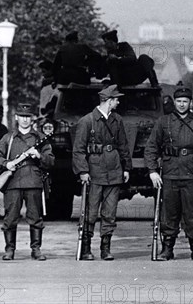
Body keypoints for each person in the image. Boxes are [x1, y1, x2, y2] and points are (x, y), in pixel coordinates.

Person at [145, 87, 193, 261]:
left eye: (185, 101)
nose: (182, 104)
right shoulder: (164, 121)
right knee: (169, 214)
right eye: (179, 101)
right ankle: (167, 249)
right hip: (170, 174)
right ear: (174, 102)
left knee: (192, 214)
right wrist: (153, 171)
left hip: (192, 174)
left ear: (190, 103)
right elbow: (151, 147)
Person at [72, 85, 132, 260]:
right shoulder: (87, 121)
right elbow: (78, 150)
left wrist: (126, 167)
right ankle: (86, 248)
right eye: (116, 99)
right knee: (90, 212)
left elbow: (123, 145)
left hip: (114, 171)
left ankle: (105, 248)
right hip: (94, 171)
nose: (118, 102)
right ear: (108, 100)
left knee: (110, 212)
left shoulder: (117, 120)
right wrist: (83, 171)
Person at [0, 103, 54, 261]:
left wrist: (39, 156)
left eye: (28, 117)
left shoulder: (40, 138)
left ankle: (36, 249)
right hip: (13, 182)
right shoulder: (9, 138)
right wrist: (7, 164)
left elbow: (51, 161)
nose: (25, 120)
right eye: (22, 117)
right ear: (16, 118)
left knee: (35, 217)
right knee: (10, 217)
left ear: (32, 118)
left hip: (33, 181)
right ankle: (10, 250)